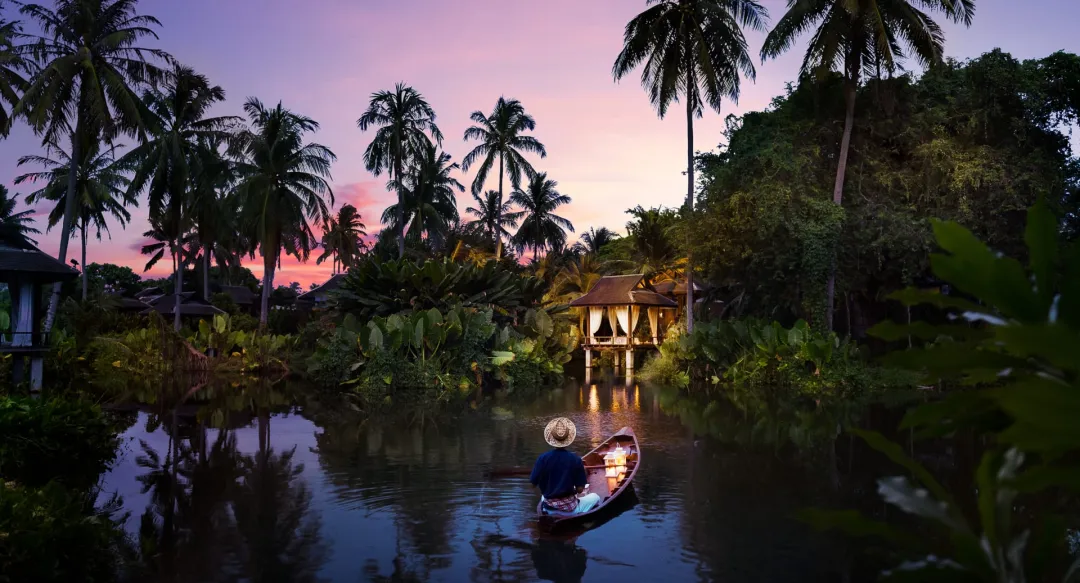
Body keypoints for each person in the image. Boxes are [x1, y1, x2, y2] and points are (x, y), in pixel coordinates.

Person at [530, 417, 601, 514]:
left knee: (543, 497)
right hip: (570, 508)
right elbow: (580, 490)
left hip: (549, 507)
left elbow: (533, 484)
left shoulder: (542, 459)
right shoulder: (575, 459)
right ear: (568, 440)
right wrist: (582, 473)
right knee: (596, 497)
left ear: (552, 439)